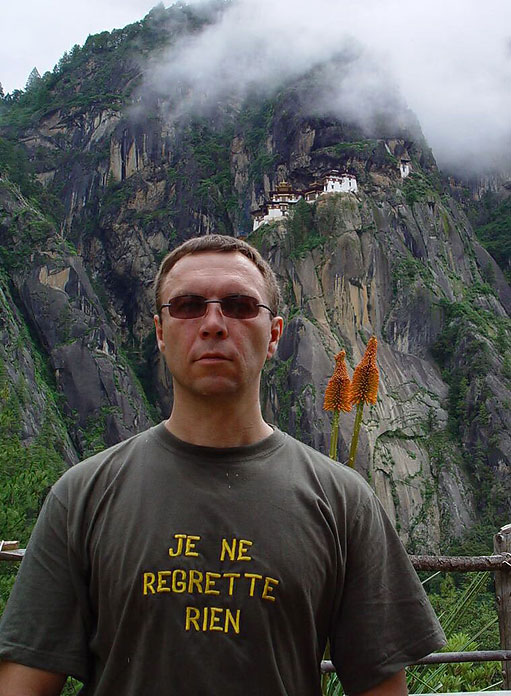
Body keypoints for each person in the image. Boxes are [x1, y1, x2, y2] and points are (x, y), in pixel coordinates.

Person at [0, 234, 445, 695]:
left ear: (274, 335)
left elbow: (380, 686)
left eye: (239, 306)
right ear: (160, 332)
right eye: (188, 306)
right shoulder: (82, 496)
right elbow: (24, 684)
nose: (213, 323)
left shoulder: (345, 502)